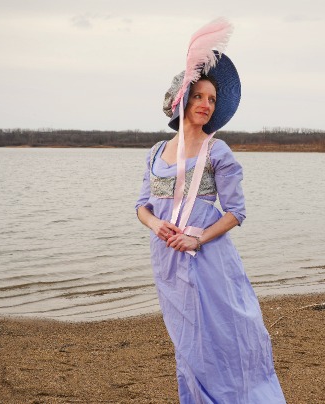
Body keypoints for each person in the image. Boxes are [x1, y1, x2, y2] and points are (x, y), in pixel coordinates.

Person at [134, 31, 286, 403]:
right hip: (167, 260)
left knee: (224, 338)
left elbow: (236, 212)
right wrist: (157, 225)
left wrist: (197, 237)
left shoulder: (217, 150)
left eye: (211, 99)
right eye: (198, 96)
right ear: (181, 99)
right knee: (189, 346)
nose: (205, 104)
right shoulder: (156, 152)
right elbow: (142, 205)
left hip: (209, 260)